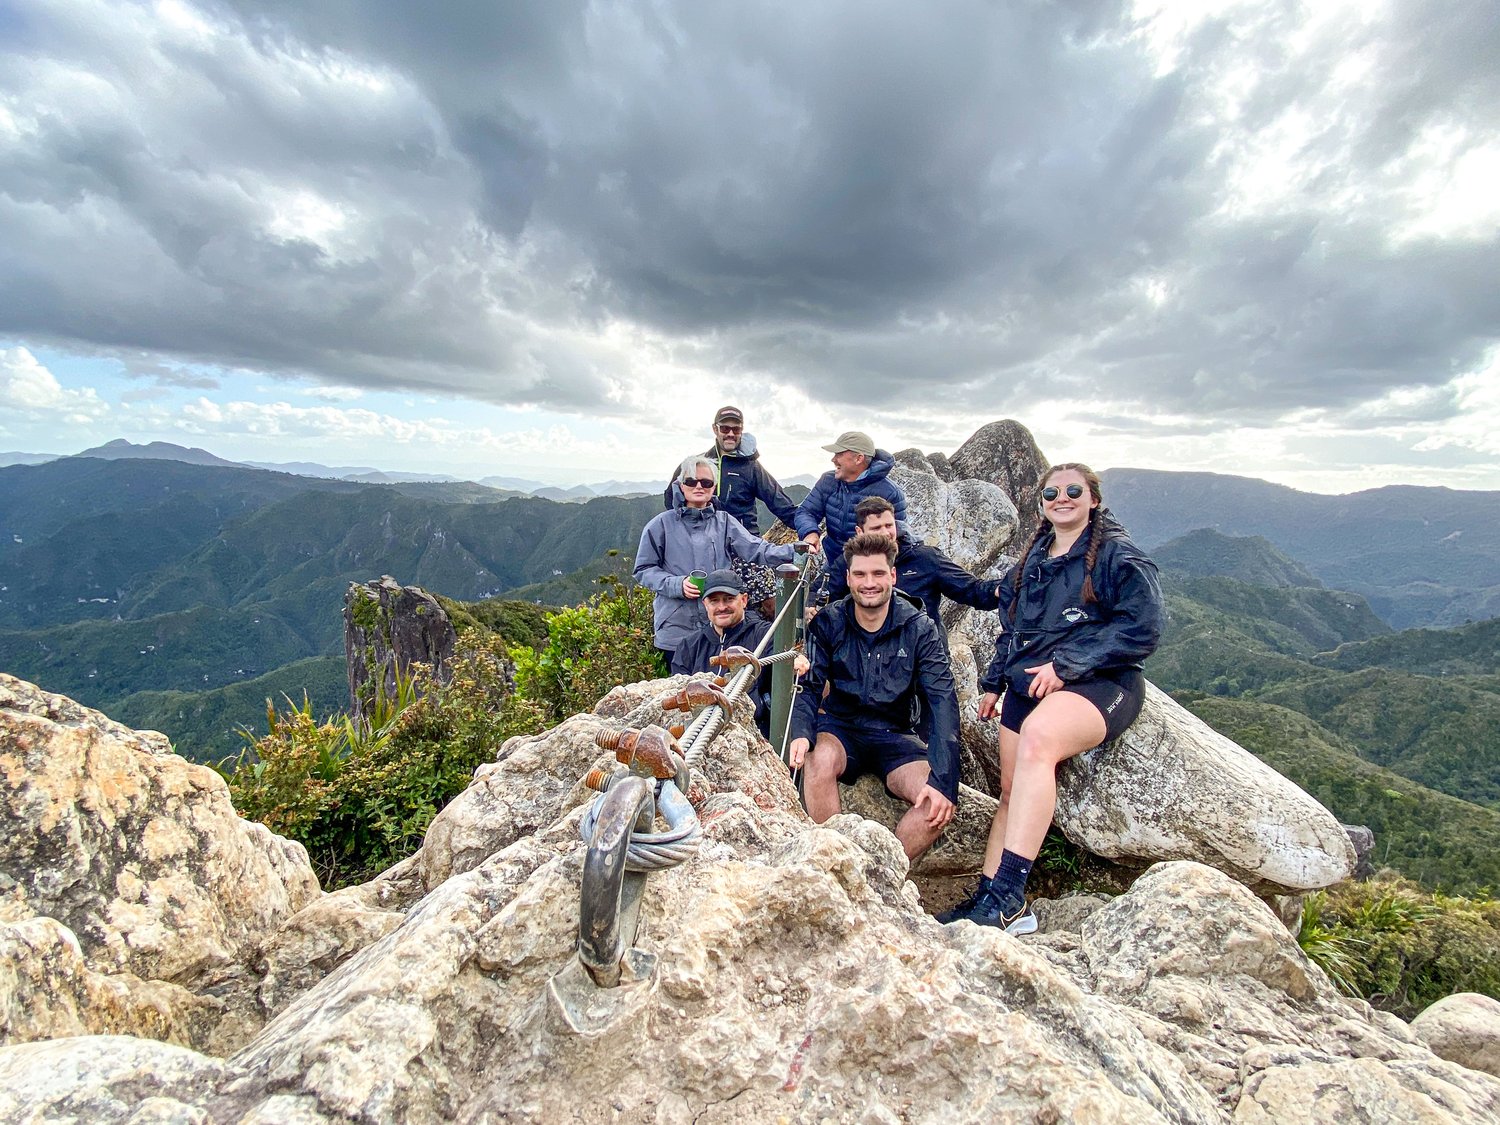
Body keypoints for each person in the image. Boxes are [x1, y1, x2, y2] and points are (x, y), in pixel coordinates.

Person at [940, 463, 1163, 935]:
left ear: (1093, 500)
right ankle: (991, 897)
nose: (1062, 498)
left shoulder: (1116, 556)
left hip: (1099, 682)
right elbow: (1014, 626)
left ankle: (1010, 894)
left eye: (1073, 490)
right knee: (1010, 789)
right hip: (1030, 683)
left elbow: (1143, 627)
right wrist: (995, 681)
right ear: (1040, 503)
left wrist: (1067, 666)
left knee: (1040, 741)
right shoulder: (1034, 559)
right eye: (1051, 492)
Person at [788, 532, 960, 862]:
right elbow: (810, 686)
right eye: (861, 574)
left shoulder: (920, 628)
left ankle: (881, 874)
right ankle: (834, 865)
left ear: (892, 576)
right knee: (817, 760)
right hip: (841, 728)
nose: (870, 583)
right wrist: (800, 733)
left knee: (935, 805)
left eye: (878, 573)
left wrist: (945, 778)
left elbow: (942, 700)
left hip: (895, 735)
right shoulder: (830, 622)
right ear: (849, 577)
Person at [635, 455, 798, 663]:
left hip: (719, 627)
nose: (699, 486)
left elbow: (756, 550)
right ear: (680, 485)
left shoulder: (724, 522)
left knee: (722, 687)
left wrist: (795, 551)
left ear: (714, 488)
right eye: (691, 481)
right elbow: (643, 569)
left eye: (707, 482)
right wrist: (677, 584)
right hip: (676, 629)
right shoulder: (660, 525)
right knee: (683, 689)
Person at [663, 406, 801, 617]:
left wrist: (807, 529)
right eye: (725, 428)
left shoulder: (751, 467)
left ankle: (778, 646)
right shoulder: (698, 465)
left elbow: (779, 503)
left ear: (742, 430)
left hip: (746, 548)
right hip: (708, 548)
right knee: (718, 606)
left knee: (771, 604)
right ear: (715, 429)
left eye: (736, 429)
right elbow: (672, 500)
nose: (730, 433)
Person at [853, 496, 1003, 634]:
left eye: (889, 525)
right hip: (871, 655)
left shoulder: (926, 558)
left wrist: (1003, 588)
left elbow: (971, 590)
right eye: (876, 528)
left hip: (926, 655)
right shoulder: (849, 564)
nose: (886, 533)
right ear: (860, 532)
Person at [794, 431, 907, 602]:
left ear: (858, 458)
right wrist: (810, 533)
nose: (833, 460)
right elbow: (806, 511)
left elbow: (896, 536)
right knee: (811, 607)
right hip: (834, 564)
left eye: (839, 454)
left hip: (869, 569)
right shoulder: (828, 481)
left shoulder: (890, 492)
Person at [669, 568, 777, 736]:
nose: (722, 607)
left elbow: (786, 666)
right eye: (714, 601)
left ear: (744, 600)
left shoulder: (766, 636)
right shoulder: (689, 647)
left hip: (754, 730)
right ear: (705, 604)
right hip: (700, 732)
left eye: (729, 599)